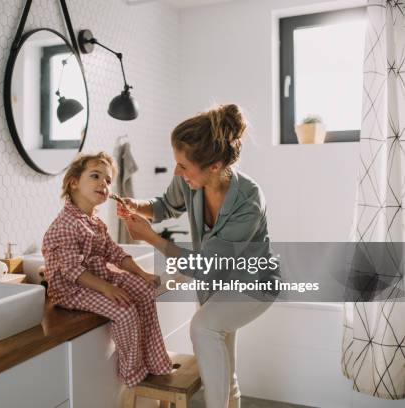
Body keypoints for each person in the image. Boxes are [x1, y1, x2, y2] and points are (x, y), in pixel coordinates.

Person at [117, 104, 280, 408]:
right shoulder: (191, 179)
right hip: (217, 283)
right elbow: (165, 206)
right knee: (223, 363)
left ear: (215, 166)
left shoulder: (248, 201)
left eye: (184, 166)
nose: (177, 171)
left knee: (203, 327)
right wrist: (136, 205)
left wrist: (151, 238)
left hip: (253, 284)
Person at [41, 152, 172, 387]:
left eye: (108, 180)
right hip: (72, 290)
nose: (104, 183)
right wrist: (108, 289)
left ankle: (154, 360)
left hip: (98, 277)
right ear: (74, 182)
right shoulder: (65, 226)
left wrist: (142, 274)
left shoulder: (94, 221)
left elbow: (115, 253)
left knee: (144, 291)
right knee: (125, 311)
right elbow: (74, 272)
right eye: (95, 176)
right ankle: (132, 372)